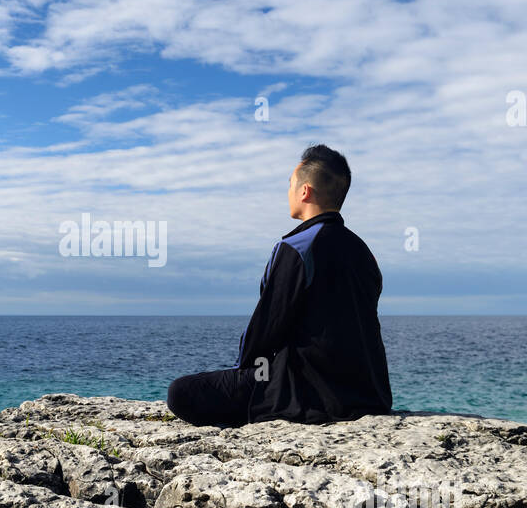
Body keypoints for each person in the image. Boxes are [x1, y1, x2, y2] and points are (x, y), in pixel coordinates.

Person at [166, 144, 392, 426]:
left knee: (181, 392)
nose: (287, 193)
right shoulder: (364, 252)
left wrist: (247, 375)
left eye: (289, 185)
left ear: (305, 191)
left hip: (310, 396)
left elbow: (266, 329)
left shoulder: (296, 247)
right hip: (371, 395)